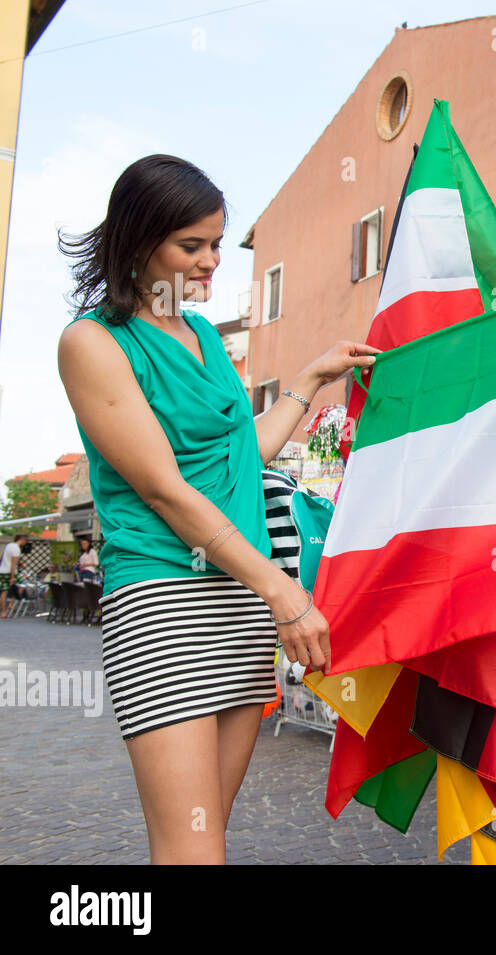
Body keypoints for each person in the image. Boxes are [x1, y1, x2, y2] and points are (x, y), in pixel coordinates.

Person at [57, 155, 379, 864]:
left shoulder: (202, 337)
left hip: (238, 599)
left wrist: (306, 381)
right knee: (193, 850)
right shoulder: (93, 343)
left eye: (216, 244)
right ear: (141, 244)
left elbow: (236, 457)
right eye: (192, 246)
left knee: (206, 837)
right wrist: (282, 588)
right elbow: (166, 488)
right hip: (163, 599)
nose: (211, 263)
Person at [0, 533, 28, 618]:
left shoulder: (8, 545)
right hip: (10, 572)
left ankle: (3, 612)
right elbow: (13, 564)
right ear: (22, 539)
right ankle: (11, 604)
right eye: (26, 541)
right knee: (22, 585)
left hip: (2, 571)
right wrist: (12, 577)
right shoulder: (16, 549)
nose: (26, 543)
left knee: (4, 591)